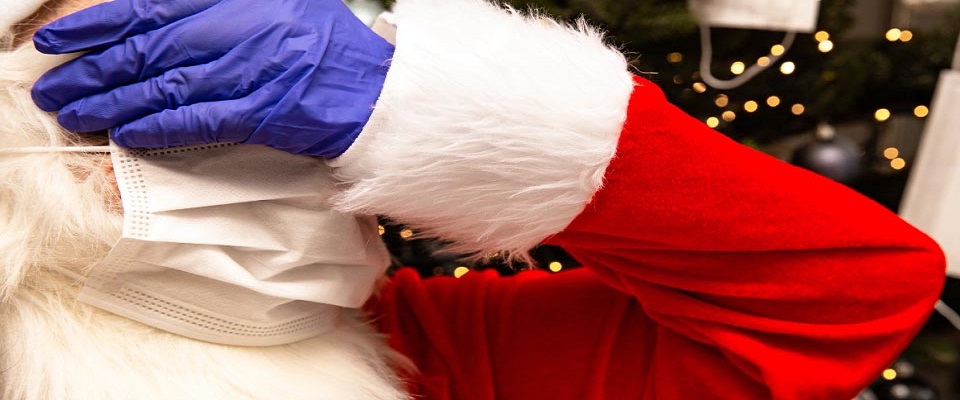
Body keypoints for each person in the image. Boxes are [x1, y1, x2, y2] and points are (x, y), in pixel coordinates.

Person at [14, 0, 949, 399]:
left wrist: (426, 113)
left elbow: (851, 291)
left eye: (233, 78)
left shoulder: (422, 354)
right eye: (132, 85)